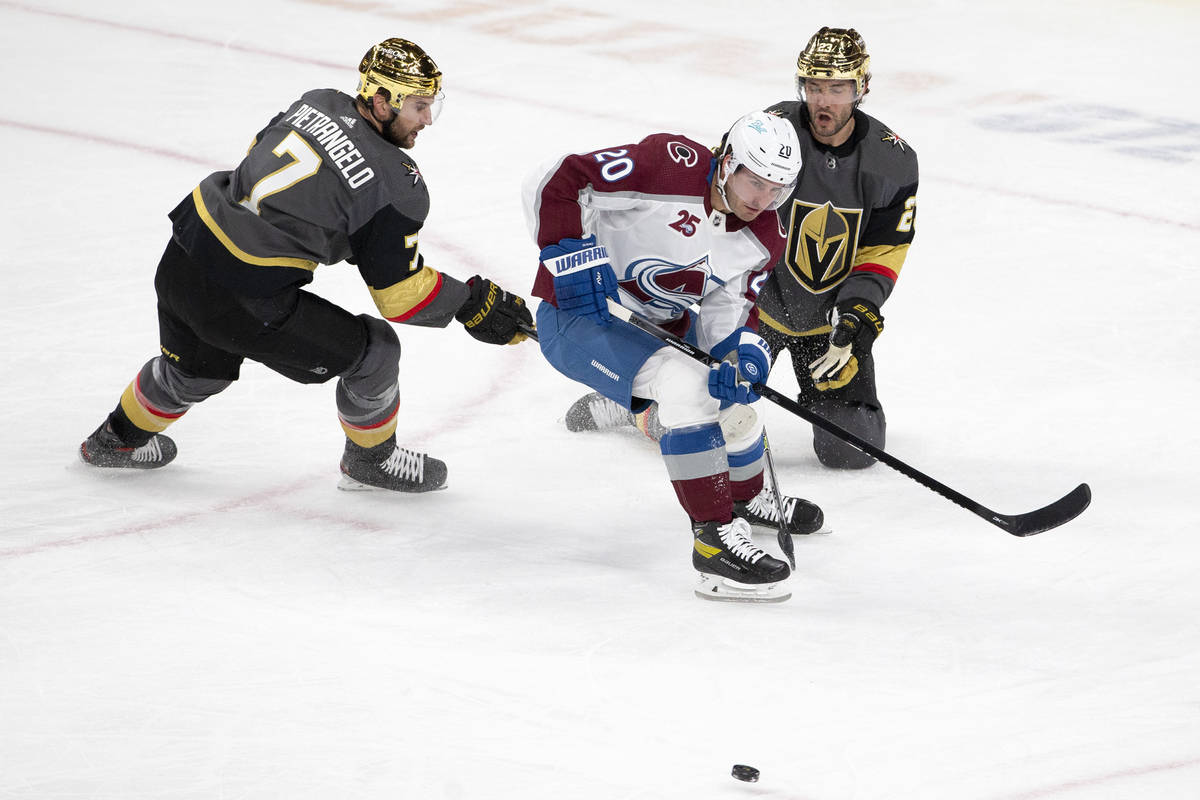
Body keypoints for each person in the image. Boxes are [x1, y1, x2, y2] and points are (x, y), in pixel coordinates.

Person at [78, 38, 533, 492]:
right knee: (376, 352)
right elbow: (399, 297)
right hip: (243, 296)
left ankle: (113, 441)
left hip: (183, 257)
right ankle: (370, 461)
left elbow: (259, 155)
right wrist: (470, 303)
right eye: (418, 106)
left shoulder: (317, 102)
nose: (427, 119)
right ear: (380, 101)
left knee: (194, 371)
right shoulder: (397, 183)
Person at [525, 111, 822, 603]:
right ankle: (713, 547)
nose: (763, 200)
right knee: (687, 387)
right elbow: (560, 178)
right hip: (580, 320)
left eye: (777, 190)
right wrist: (570, 255)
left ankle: (745, 501)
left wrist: (742, 359)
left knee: (733, 405)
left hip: (661, 333)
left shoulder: (762, 235)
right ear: (727, 163)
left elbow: (727, 314)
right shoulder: (668, 167)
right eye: (755, 182)